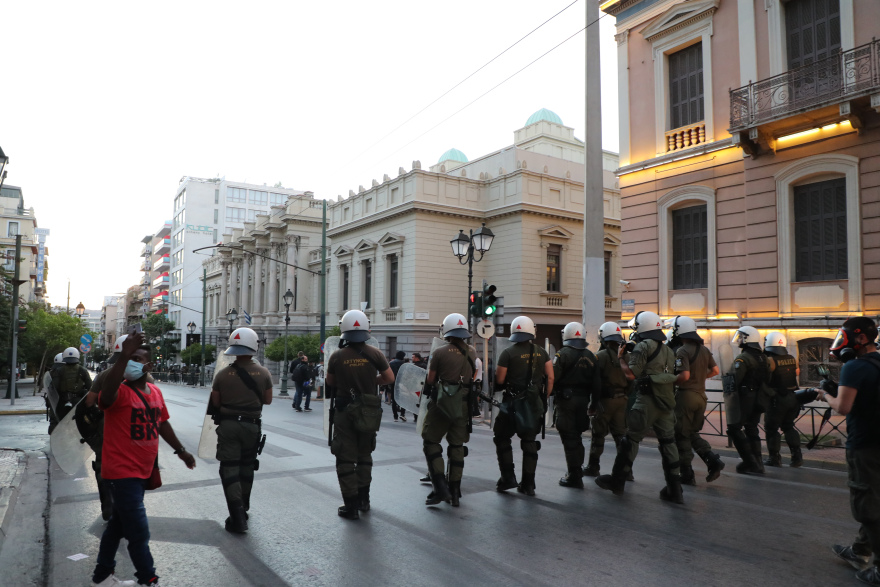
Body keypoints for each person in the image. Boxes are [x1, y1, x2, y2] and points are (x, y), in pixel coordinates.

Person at [91, 333, 195, 587]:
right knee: (138, 531)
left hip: (143, 471)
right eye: (128, 358)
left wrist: (181, 451)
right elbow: (104, 397)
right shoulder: (119, 393)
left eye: (137, 359)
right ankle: (148, 579)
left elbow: (162, 423)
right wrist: (124, 354)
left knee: (117, 525)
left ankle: (102, 575)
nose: (131, 363)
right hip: (122, 472)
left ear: (148, 366)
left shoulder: (156, 392)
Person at [815, 317, 880, 585]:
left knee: (867, 506)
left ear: (860, 338)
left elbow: (843, 407)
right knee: (875, 497)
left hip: (864, 445)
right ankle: (860, 550)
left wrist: (824, 395)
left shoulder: (854, 367)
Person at [596, 311, 683, 503]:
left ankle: (618, 481)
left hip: (647, 401)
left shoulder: (643, 346)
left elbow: (631, 375)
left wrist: (621, 358)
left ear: (642, 327)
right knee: (668, 442)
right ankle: (675, 489)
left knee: (631, 440)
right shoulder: (668, 349)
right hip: (666, 402)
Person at [327, 310, 394, 520]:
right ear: (367, 329)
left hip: (345, 411)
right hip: (368, 410)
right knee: (365, 455)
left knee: (345, 458)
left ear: (343, 330)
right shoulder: (375, 353)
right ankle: (364, 500)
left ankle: (351, 505)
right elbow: (389, 378)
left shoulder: (337, 356)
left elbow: (330, 382)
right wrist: (371, 382)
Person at [211, 327, 273, 534]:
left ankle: (236, 515)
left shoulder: (222, 374)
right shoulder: (264, 373)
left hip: (228, 426)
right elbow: (268, 400)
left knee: (229, 469)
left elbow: (216, 402)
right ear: (254, 346)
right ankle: (244, 508)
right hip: (251, 426)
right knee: (247, 468)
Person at [493, 316, 554, 496]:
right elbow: (550, 377)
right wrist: (543, 397)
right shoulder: (542, 352)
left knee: (502, 437)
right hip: (533, 404)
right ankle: (528, 484)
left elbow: (500, 379)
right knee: (529, 442)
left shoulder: (508, 353)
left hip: (512, 404)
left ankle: (507, 478)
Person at [421, 313, 476, 506]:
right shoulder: (472, 352)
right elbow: (473, 376)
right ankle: (455, 490)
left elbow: (430, 379)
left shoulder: (440, 353)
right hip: (463, 404)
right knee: (457, 445)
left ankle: (440, 488)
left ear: (447, 330)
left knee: (431, 441)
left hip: (442, 404)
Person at [665, 316, 724, 485]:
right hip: (701, 396)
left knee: (681, 435)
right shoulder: (703, 349)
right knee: (691, 433)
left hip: (686, 397)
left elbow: (684, 376)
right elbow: (715, 370)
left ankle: (687, 474)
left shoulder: (682, 350)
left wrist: (668, 380)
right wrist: (699, 378)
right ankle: (712, 459)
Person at [81, 335, 133, 521]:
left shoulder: (104, 375)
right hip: (135, 429)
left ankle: (108, 506)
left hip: (108, 428)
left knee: (104, 464)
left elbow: (89, 401)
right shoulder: (145, 376)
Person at [553, 322, 601, 489]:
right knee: (577, 437)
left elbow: (554, 378)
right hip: (583, 401)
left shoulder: (562, 354)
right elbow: (597, 385)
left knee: (569, 437)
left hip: (566, 401)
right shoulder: (591, 355)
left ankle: (574, 475)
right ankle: (577, 470)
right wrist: (593, 404)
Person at [584, 322, 630, 478]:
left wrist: (593, 404)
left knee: (598, 435)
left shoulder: (600, 356)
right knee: (621, 436)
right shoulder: (627, 356)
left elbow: (595, 382)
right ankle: (626, 470)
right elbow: (632, 380)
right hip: (622, 400)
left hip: (605, 402)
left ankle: (593, 466)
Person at [725, 326, 769, 474]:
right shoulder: (763, 357)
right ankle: (759, 463)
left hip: (745, 398)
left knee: (734, 428)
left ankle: (749, 462)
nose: (739, 340)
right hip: (759, 398)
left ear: (748, 339)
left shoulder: (743, 358)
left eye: (742, 337)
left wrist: (728, 391)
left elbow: (734, 379)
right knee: (752, 428)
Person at [762, 331, 802, 468]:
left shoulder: (771, 361)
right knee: (788, 426)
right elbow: (796, 373)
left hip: (777, 400)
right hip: (792, 397)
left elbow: (763, 378)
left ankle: (774, 458)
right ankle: (797, 457)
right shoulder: (792, 358)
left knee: (771, 429)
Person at [50, 347, 92, 429]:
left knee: (60, 423)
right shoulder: (82, 370)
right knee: (81, 423)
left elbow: (54, 387)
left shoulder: (59, 370)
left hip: (62, 402)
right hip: (78, 402)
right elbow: (90, 386)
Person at [388, 351, 407, 422]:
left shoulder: (391, 363)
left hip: (393, 383)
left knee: (394, 400)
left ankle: (395, 416)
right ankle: (402, 414)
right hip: (402, 383)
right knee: (403, 399)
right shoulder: (404, 364)